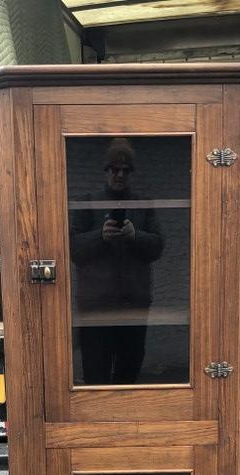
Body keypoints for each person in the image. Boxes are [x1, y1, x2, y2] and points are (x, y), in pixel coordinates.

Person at [69, 138, 164, 385]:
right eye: (114, 169)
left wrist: (136, 236)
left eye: (125, 170)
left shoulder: (143, 205)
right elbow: (73, 251)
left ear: (131, 173)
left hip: (133, 304)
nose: (120, 175)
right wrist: (100, 236)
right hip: (95, 307)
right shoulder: (85, 204)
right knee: (95, 371)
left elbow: (158, 247)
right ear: (106, 171)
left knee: (129, 369)